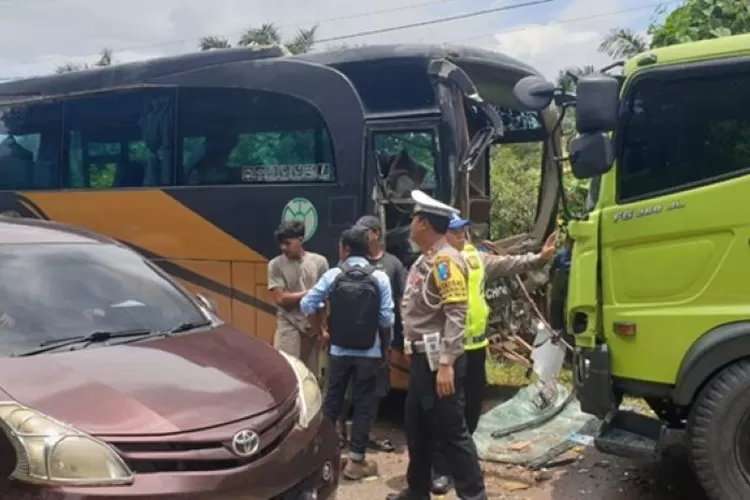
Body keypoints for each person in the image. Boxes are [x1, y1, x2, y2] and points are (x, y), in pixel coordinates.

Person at [431, 213, 557, 494]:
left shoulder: (477, 258)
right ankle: (440, 469)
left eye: (463, 229)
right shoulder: (437, 261)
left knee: (472, 409)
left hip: (476, 348)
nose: (461, 235)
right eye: (455, 231)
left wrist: (540, 257)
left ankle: (460, 461)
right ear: (444, 234)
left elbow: (510, 263)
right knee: (449, 412)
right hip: (450, 351)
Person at [388, 190, 486, 500]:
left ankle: (474, 495)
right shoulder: (425, 259)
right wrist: (408, 342)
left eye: (415, 220)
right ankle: (417, 490)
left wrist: (446, 363)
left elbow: (456, 313)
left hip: (440, 362)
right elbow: (415, 308)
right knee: (417, 427)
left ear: (425, 224)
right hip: (422, 359)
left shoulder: (446, 261)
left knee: (452, 430)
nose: (411, 225)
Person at [300, 227, 395, 480]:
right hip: (370, 352)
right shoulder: (380, 278)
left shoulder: (333, 275)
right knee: (364, 404)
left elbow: (307, 303)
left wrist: (320, 329)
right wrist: (385, 347)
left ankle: (327, 457)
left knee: (333, 400)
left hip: (339, 351)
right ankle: (356, 462)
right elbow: (386, 318)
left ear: (346, 249)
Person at [337, 215, 406, 453]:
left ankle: (368, 433)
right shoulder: (352, 264)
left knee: (376, 390)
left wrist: (399, 336)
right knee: (345, 391)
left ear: (376, 234)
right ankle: (339, 431)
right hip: (348, 338)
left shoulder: (393, 265)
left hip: (378, 341)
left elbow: (400, 303)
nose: (361, 237)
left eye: (364, 232)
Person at [267, 220, 329, 375]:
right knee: (287, 371)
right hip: (289, 324)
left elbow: (325, 300)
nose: (283, 248)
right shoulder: (275, 265)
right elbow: (280, 299)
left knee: (311, 375)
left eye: (287, 243)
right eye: (281, 244)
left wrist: (323, 329)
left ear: (300, 240)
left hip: (312, 326)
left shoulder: (319, 262)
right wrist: (310, 293)